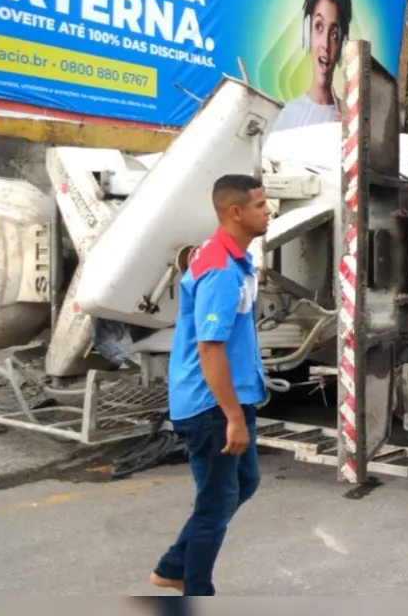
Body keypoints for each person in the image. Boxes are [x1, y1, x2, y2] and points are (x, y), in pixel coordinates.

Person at [150, 175, 271, 596]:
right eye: (259, 205)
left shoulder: (229, 258)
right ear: (235, 212)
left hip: (230, 397)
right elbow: (210, 348)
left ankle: (172, 565)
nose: (268, 210)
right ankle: (194, 587)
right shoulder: (220, 269)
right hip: (212, 405)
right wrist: (233, 417)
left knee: (245, 482)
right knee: (215, 504)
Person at [272, 0, 354, 132]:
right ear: (306, 32)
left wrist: (346, 138)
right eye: (318, 27)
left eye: (334, 34)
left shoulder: (350, 122)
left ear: (342, 45)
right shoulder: (289, 116)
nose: (325, 44)